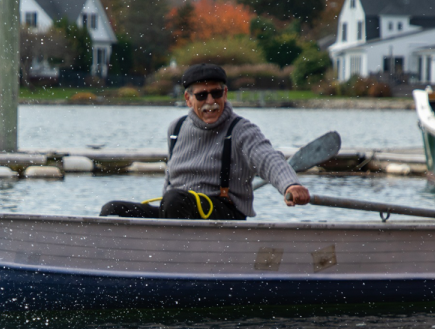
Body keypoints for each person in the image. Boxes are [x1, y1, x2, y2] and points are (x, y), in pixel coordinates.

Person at [100, 63, 310, 220]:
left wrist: (290, 184)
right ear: (188, 99)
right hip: (177, 209)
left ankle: (173, 264)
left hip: (225, 215)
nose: (210, 101)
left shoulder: (242, 130)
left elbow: (268, 159)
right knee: (113, 211)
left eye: (216, 93)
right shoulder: (176, 128)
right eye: (202, 96)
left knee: (174, 200)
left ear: (225, 94)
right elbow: (171, 179)